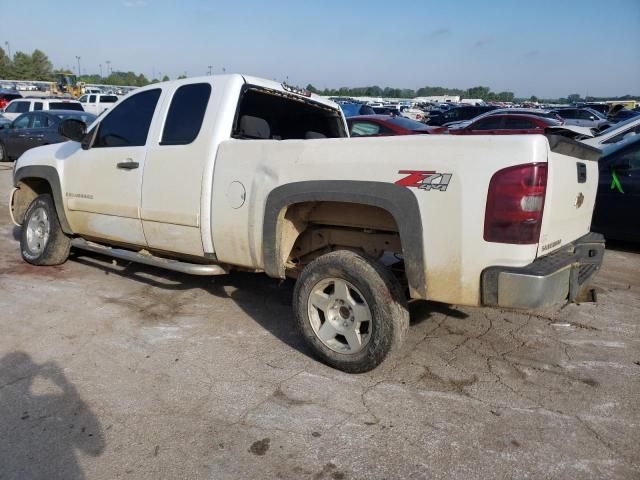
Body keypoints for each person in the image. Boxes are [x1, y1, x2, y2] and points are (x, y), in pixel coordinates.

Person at [0, 352, 105, 479]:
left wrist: (64, 384)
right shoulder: (52, 403)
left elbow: (95, 446)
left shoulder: (50, 403)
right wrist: (64, 383)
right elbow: (95, 446)